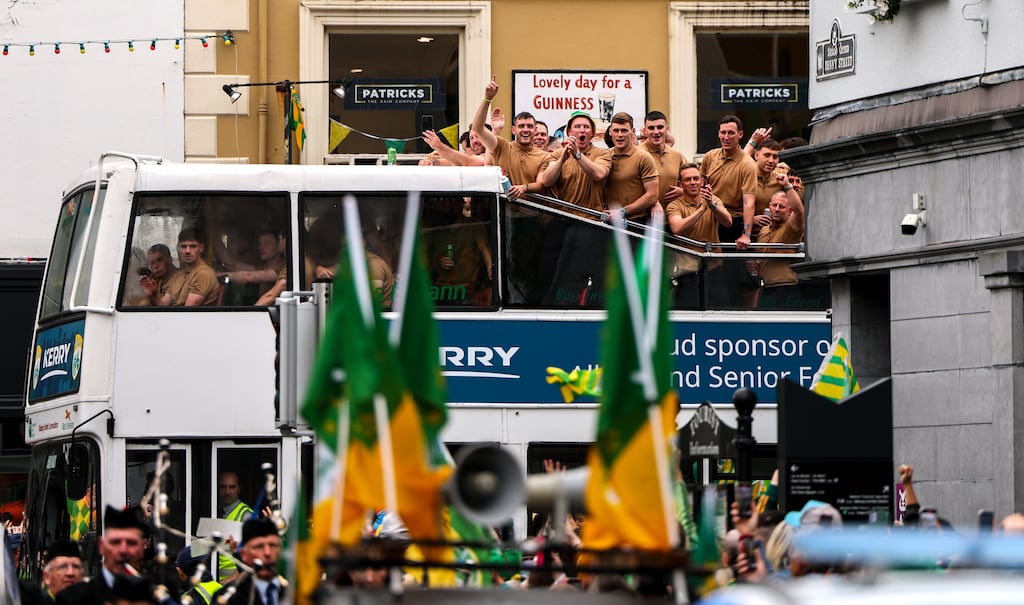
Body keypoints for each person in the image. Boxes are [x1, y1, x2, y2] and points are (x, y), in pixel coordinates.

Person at [537, 111, 612, 307]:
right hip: (562, 221)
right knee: (554, 271)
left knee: (581, 272)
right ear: (569, 131)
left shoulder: (602, 154)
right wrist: (563, 157)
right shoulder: (556, 154)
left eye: (586, 127)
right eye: (577, 127)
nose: (581, 130)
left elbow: (598, 174)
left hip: (590, 224)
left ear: (592, 133)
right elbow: (546, 180)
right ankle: (554, 310)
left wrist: (578, 155)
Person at [474, 76, 551, 199]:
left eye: (530, 126)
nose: (525, 129)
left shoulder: (544, 156)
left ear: (535, 130)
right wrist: (487, 99)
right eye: (521, 126)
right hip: (505, 213)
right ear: (513, 130)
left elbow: (541, 184)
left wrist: (524, 187)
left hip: (533, 214)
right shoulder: (502, 147)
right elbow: (477, 128)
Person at [666, 163, 732, 308]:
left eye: (696, 178)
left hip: (714, 269)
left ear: (702, 181)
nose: (693, 183)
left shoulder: (712, 199)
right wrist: (702, 210)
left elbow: (728, 222)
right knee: (690, 312)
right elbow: (677, 228)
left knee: (720, 310)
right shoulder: (675, 205)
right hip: (689, 271)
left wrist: (712, 205)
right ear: (680, 183)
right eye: (688, 179)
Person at [56, 506, 150, 605]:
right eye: (115, 542)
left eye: (131, 543)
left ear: (143, 546)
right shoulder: (71, 598)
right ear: (101, 546)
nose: (123, 550)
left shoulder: (157, 595)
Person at [701, 115, 758, 250]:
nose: (726, 137)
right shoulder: (710, 156)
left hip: (732, 222)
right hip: (708, 218)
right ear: (718, 134)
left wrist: (746, 234)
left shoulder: (747, 164)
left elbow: (748, 202)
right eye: (723, 132)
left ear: (740, 134)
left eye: (731, 133)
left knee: (729, 268)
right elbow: (699, 185)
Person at [603, 112, 659, 221]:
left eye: (624, 130)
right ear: (610, 132)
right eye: (616, 130)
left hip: (636, 221)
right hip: (610, 220)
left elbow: (652, 195)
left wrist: (622, 211)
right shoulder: (605, 156)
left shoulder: (643, 157)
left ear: (632, 132)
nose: (620, 135)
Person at [213, 519, 284, 605]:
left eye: (273, 545)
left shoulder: (296, 593)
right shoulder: (227, 598)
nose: (267, 553)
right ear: (244, 554)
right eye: (259, 546)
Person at [754, 187, 805, 308]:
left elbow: (799, 211)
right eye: (774, 205)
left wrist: (788, 186)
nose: (777, 209)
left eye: (781, 207)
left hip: (786, 287)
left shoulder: (790, 228)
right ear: (769, 206)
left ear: (789, 210)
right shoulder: (764, 230)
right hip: (766, 287)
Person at [142, 228, 219, 307]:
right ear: (178, 249)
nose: (187, 251)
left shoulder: (203, 274)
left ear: (201, 248)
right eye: (183, 246)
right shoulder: (179, 274)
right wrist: (153, 295)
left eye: (193, 246)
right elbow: (163, 305)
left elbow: (186, 312)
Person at [218, 228, 288, 306]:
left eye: (266, 243)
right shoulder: (264, 265)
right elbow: (236, 266)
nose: (261, 247)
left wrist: (218, 275)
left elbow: (249, 277)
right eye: (260, 243)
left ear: (278, 244)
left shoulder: (282, 266)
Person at [638, 111, 688, 212]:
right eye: (651, 128)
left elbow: (693, 181)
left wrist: (684, 192)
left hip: (672, 217)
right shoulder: (638, 154)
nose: (656, 132)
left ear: (667, 129)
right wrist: (653, 202)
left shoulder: (676, 155)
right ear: (645, 131)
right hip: (642, 219)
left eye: (660, 127)